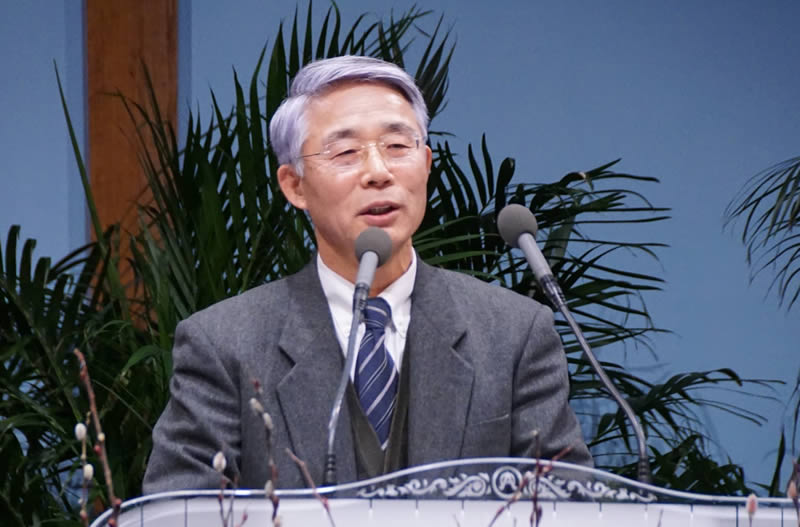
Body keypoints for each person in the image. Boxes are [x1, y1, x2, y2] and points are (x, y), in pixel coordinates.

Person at [142, 55, 592, 493]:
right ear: (294, 185)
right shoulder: (225, 343)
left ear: (427, 164)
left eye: (397, 147)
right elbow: (180, 510)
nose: (378, 172)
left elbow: (568, 504)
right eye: (345, 152)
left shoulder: (513, 334)